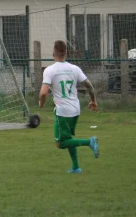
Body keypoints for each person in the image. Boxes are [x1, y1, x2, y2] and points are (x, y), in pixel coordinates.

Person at [39, 40, 100, 173]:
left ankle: (90, 142)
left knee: (60, 143)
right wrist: (93, 100)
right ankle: (76, 167)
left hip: (62, 112)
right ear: (66, 53)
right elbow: (89, 85)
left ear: (53, 53)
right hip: (75, 110)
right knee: (68, 139)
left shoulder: (50, 70)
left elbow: (43, 92)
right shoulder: (75, 68)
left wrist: (41, 103)